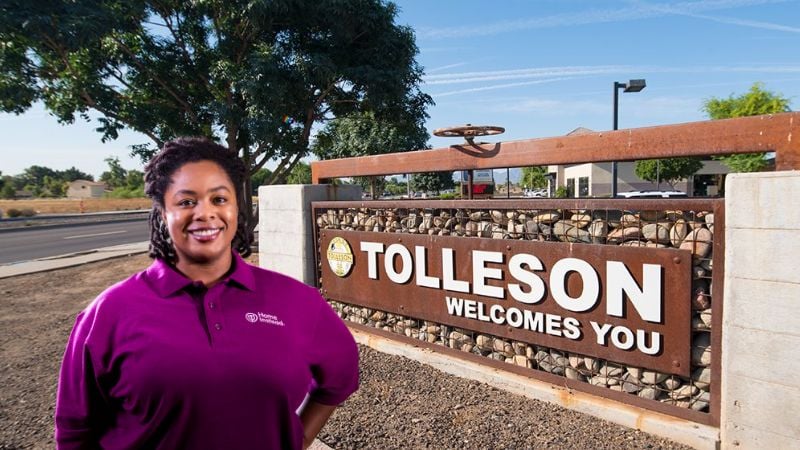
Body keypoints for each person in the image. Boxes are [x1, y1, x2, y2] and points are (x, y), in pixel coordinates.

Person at [55, 137, 359, 449]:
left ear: (236, 207)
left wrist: (299, 437)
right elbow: (75, 430)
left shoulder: (296, 301)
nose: (205, 213)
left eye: (219, 199)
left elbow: (341, 375)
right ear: (162, 213)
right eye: (186, 202)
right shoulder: (108, 313)